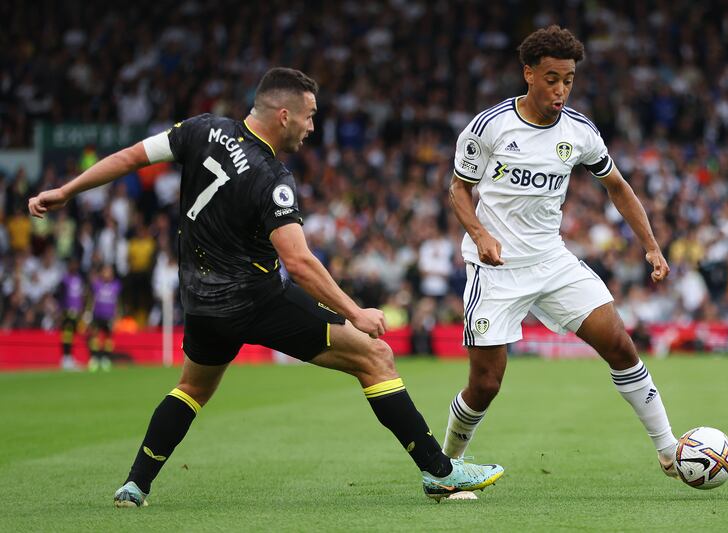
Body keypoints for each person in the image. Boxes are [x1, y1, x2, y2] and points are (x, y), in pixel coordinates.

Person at [29, 67, 503, 507]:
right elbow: (297, 261)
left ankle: (135, 483)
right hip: (254, 299)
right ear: (284, 115)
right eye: (310, 116)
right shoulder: (271, 177)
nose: (312, 128)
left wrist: (67, 191)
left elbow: (131, 156)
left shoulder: (201, 128)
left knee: (191, 387)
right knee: (374, 356)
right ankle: (439, 471)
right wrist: (356, 312)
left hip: (199, 300)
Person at [443, 26, 679, 479]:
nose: (560, 89)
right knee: (486, 384)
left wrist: (651, 247)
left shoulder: (580, 132)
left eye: (568, 79)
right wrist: (479, 234)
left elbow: (618, 187)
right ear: (528, 73)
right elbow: (458, 189)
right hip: (496, 270)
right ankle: (447, 464)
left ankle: (670, 451)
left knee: (619, 344)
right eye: (551, 78)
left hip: (552, 262)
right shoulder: (489, 127)